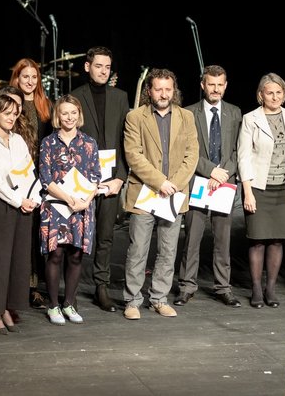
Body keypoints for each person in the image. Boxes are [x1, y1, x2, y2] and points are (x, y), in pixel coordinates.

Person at [122, 68, 199, 319]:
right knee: (138, 249)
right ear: (149, 91)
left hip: (173, 194)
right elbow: (133, 155)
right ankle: (132, 301)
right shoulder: (135, 117)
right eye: (158, 89)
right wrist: (160, 182)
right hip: (145, 192)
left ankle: (159, 298)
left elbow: (192, 155)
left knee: (168, 250)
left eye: (168, 89)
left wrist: (174, 184)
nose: (164, 94)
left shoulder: (186, 117)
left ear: (173, 90)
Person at [176, 65, 243, 308]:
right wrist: (209, 170)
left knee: (223, 241)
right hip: (197, 183)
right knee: (191, 239)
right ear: (203, 85)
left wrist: (222, 173)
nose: (215, 89)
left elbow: (239, 150)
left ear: (225, 86)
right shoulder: (188, 113)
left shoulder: (235, 113)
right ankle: (186, 286)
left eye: (220, 84)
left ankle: (223, 287)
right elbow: (184, 150)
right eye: (211, 84)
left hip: (224, 183)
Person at [71, 46, 130, 312]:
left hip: (111, 179)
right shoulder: (74, 98)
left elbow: (126, 141)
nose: (103, 71)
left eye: (107, 67)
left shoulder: (120, 97)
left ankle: (101, 287)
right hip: (82, 179)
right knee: (76, 236)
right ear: (87, 67)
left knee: (106, 236)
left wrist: (120, 177)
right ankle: (69, 289)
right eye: (98, 66)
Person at [238, 73, 285, 309]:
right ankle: (256, 289)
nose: (274, 97)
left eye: (278, 92)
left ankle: (271, 289)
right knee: (257, 240)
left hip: (282, 188)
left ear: (284, 94)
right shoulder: (250, 119)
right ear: (260, 95)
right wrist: (247, 192)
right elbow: (243, 158)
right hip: (258, 187)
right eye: (269, 93)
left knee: (277, 241)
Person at [39, 94, 101, 325]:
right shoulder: (48, 143)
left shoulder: (89, 142)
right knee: (55, 254)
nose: (69, 117)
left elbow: (96, 176)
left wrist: (85, 201)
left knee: (75, 255)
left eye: (73, 112)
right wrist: (67, 198)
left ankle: (69, 303)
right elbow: (45, 178)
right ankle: (53, 306)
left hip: (81, 207)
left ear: (79, 114)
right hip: (56, 207)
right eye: (64, 113)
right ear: (58, 115)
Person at [0, 94, 37, 332]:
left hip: (23, 204)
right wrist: (19, 200)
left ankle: (8, 307)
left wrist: (32, 198)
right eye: (7, 113)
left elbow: (28, 171)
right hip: (1, 206)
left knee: (18, 259)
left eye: (15, 113)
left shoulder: (19, 140)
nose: (12, 118)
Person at [9, 59, 53, 310]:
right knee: (20, 234)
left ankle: (33, 286)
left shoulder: (45, 105)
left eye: (34, 77)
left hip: (39, 176)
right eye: (24, 76)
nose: (29, 81)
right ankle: (16, 285)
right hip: (16, 176)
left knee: (37, 234)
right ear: (16, 78)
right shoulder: (10, 104)